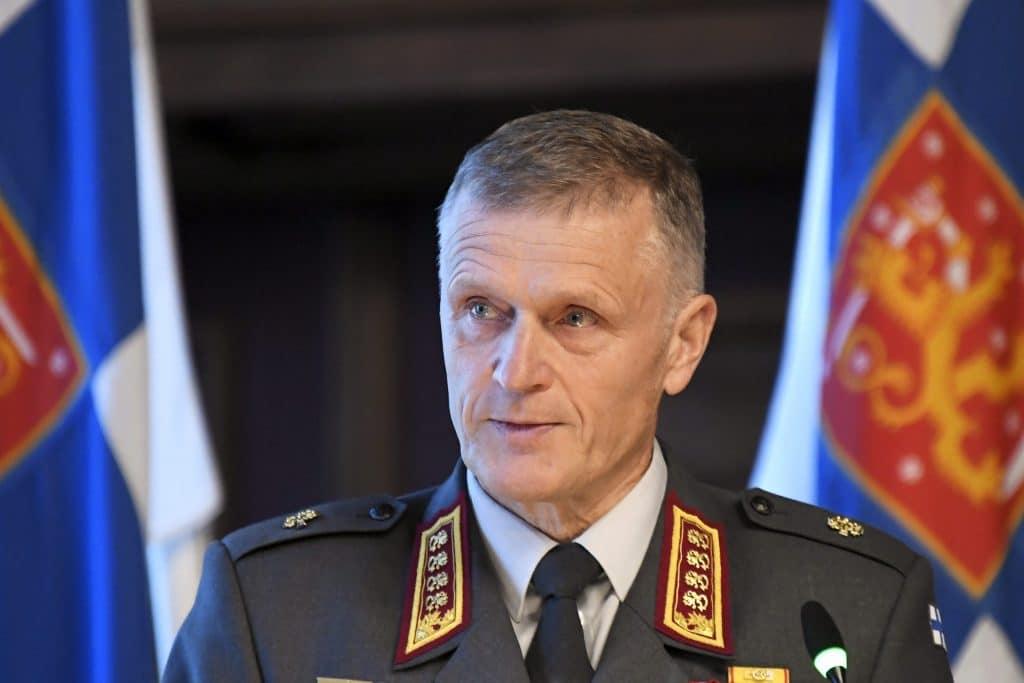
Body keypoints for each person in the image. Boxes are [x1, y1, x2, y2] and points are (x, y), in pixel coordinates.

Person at [164, 111, 954, 682]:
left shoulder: (847, 611)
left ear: (683, 343)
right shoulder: (275, 612)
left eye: (575, 318)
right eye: (481, 311)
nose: (514, 372)